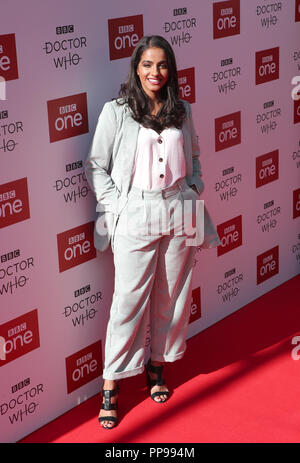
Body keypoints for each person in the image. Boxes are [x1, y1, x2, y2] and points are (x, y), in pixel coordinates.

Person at [84, 35, 220, 429]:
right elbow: (96, 164)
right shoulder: (118, 111)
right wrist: (117, 204)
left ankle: (156, 366)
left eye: (162, 65)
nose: (155, 73)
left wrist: (193, 187)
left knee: (173, 297)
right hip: (136, 211)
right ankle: (111, 383)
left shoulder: (183, 110)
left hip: (181, 208)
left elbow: (193, 156)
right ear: (136, 68)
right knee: (128, 301)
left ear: (170, 69)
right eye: (147, 65)